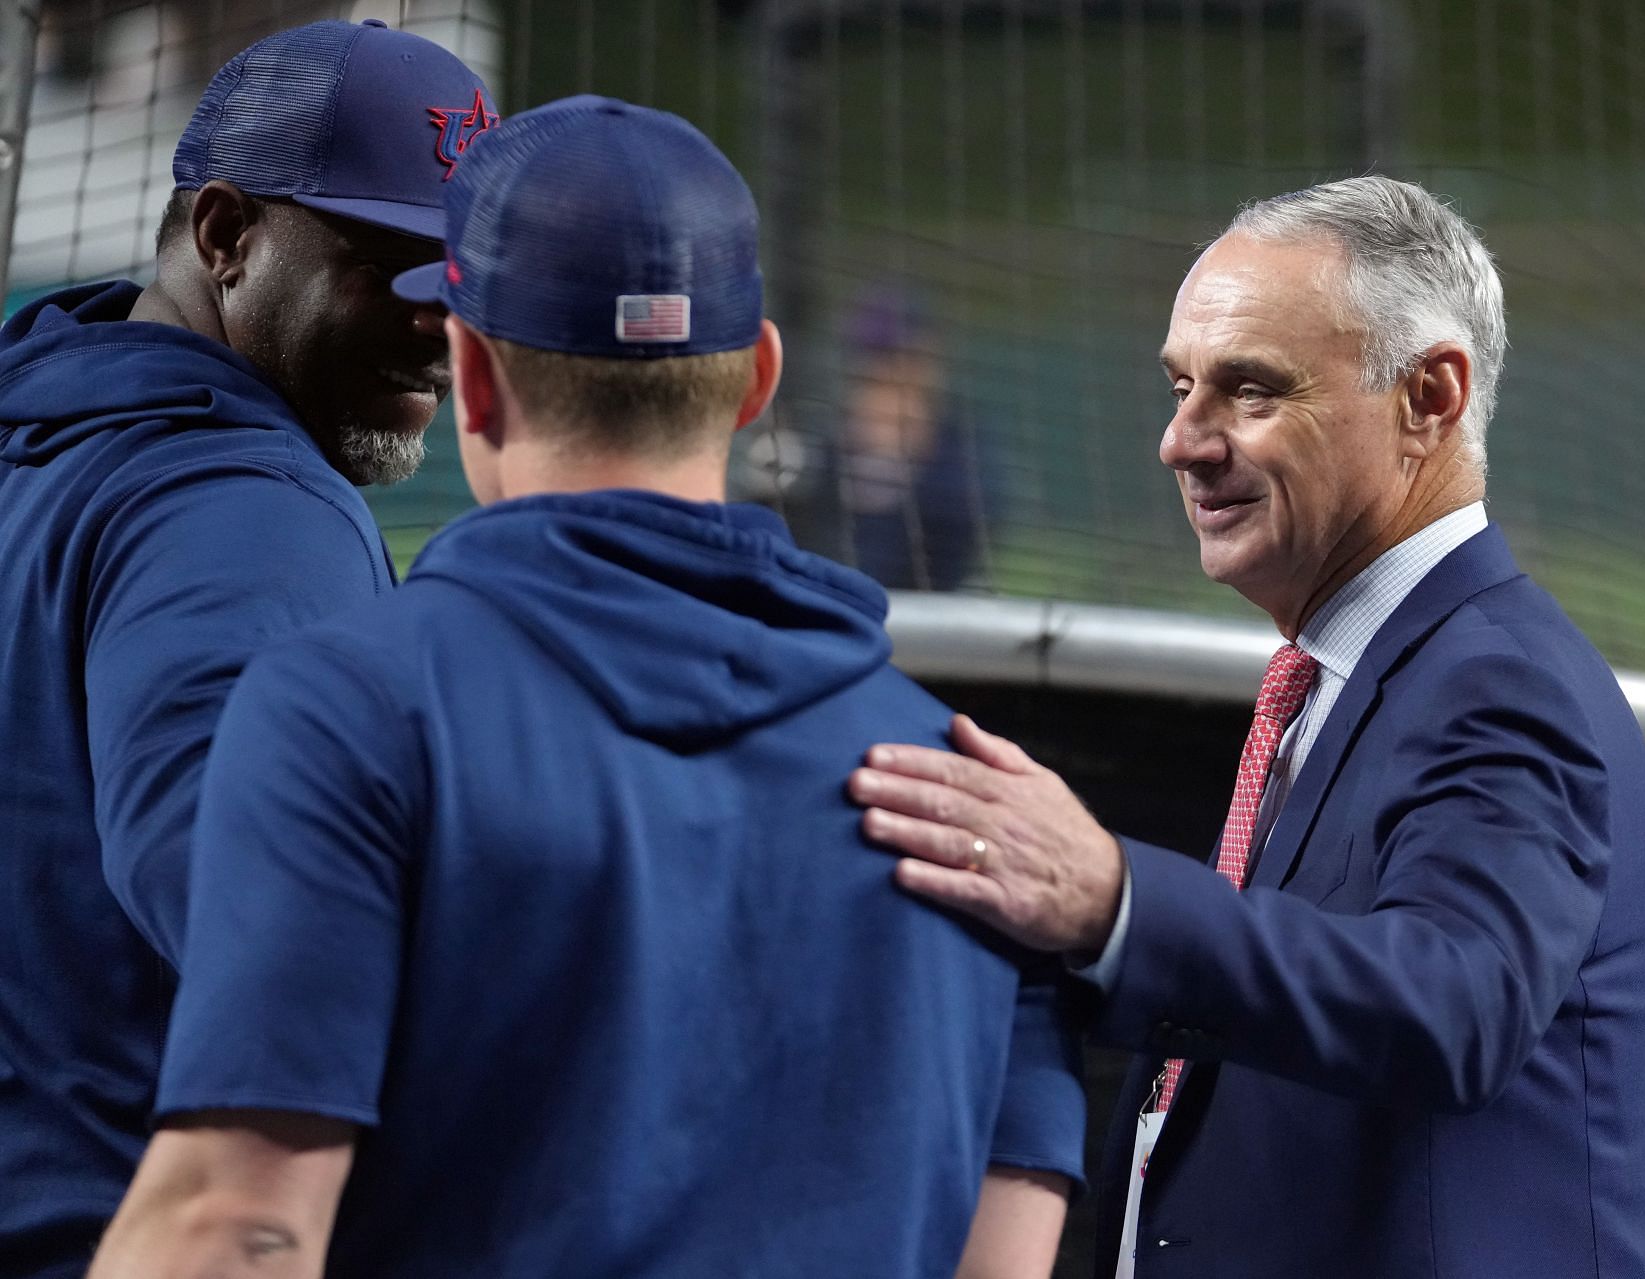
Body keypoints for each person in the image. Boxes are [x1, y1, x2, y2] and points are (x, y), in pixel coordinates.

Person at [85, 96, 1082, 1279]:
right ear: (758, 376)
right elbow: (1001, 1262)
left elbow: (234, 1228)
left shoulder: (351, 710)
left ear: (471, 373)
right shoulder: (980, 808)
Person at [850, 177, 1645, 1277]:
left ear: (1429, 394)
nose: (1179, 441)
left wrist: (1110, 898)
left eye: (1248, 390)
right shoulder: (1362, 671)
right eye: (1181, 385)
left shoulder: (1500, 681)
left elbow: (1457, 1001)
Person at [0, 20, 492, 1276]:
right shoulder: (245, 507)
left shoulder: (39, 443)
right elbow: (262, 897)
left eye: (470, 279)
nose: (441, 323)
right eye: (394, 264)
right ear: (226, 236)